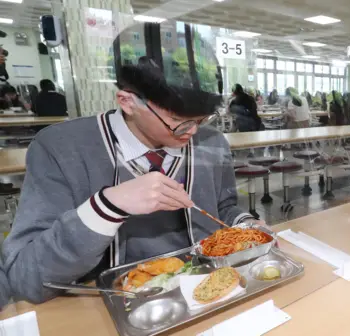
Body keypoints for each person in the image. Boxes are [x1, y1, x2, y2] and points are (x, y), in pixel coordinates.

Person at [1, 32, 260, 304]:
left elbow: (224, 207)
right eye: (178, 120)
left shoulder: (211, 141)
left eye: (202, 119)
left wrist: (246, 224)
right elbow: (25, 279)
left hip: (209, 293)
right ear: (127, 102)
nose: (192, 131)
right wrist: (108, 205)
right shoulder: (61, 148)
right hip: (110, 307)